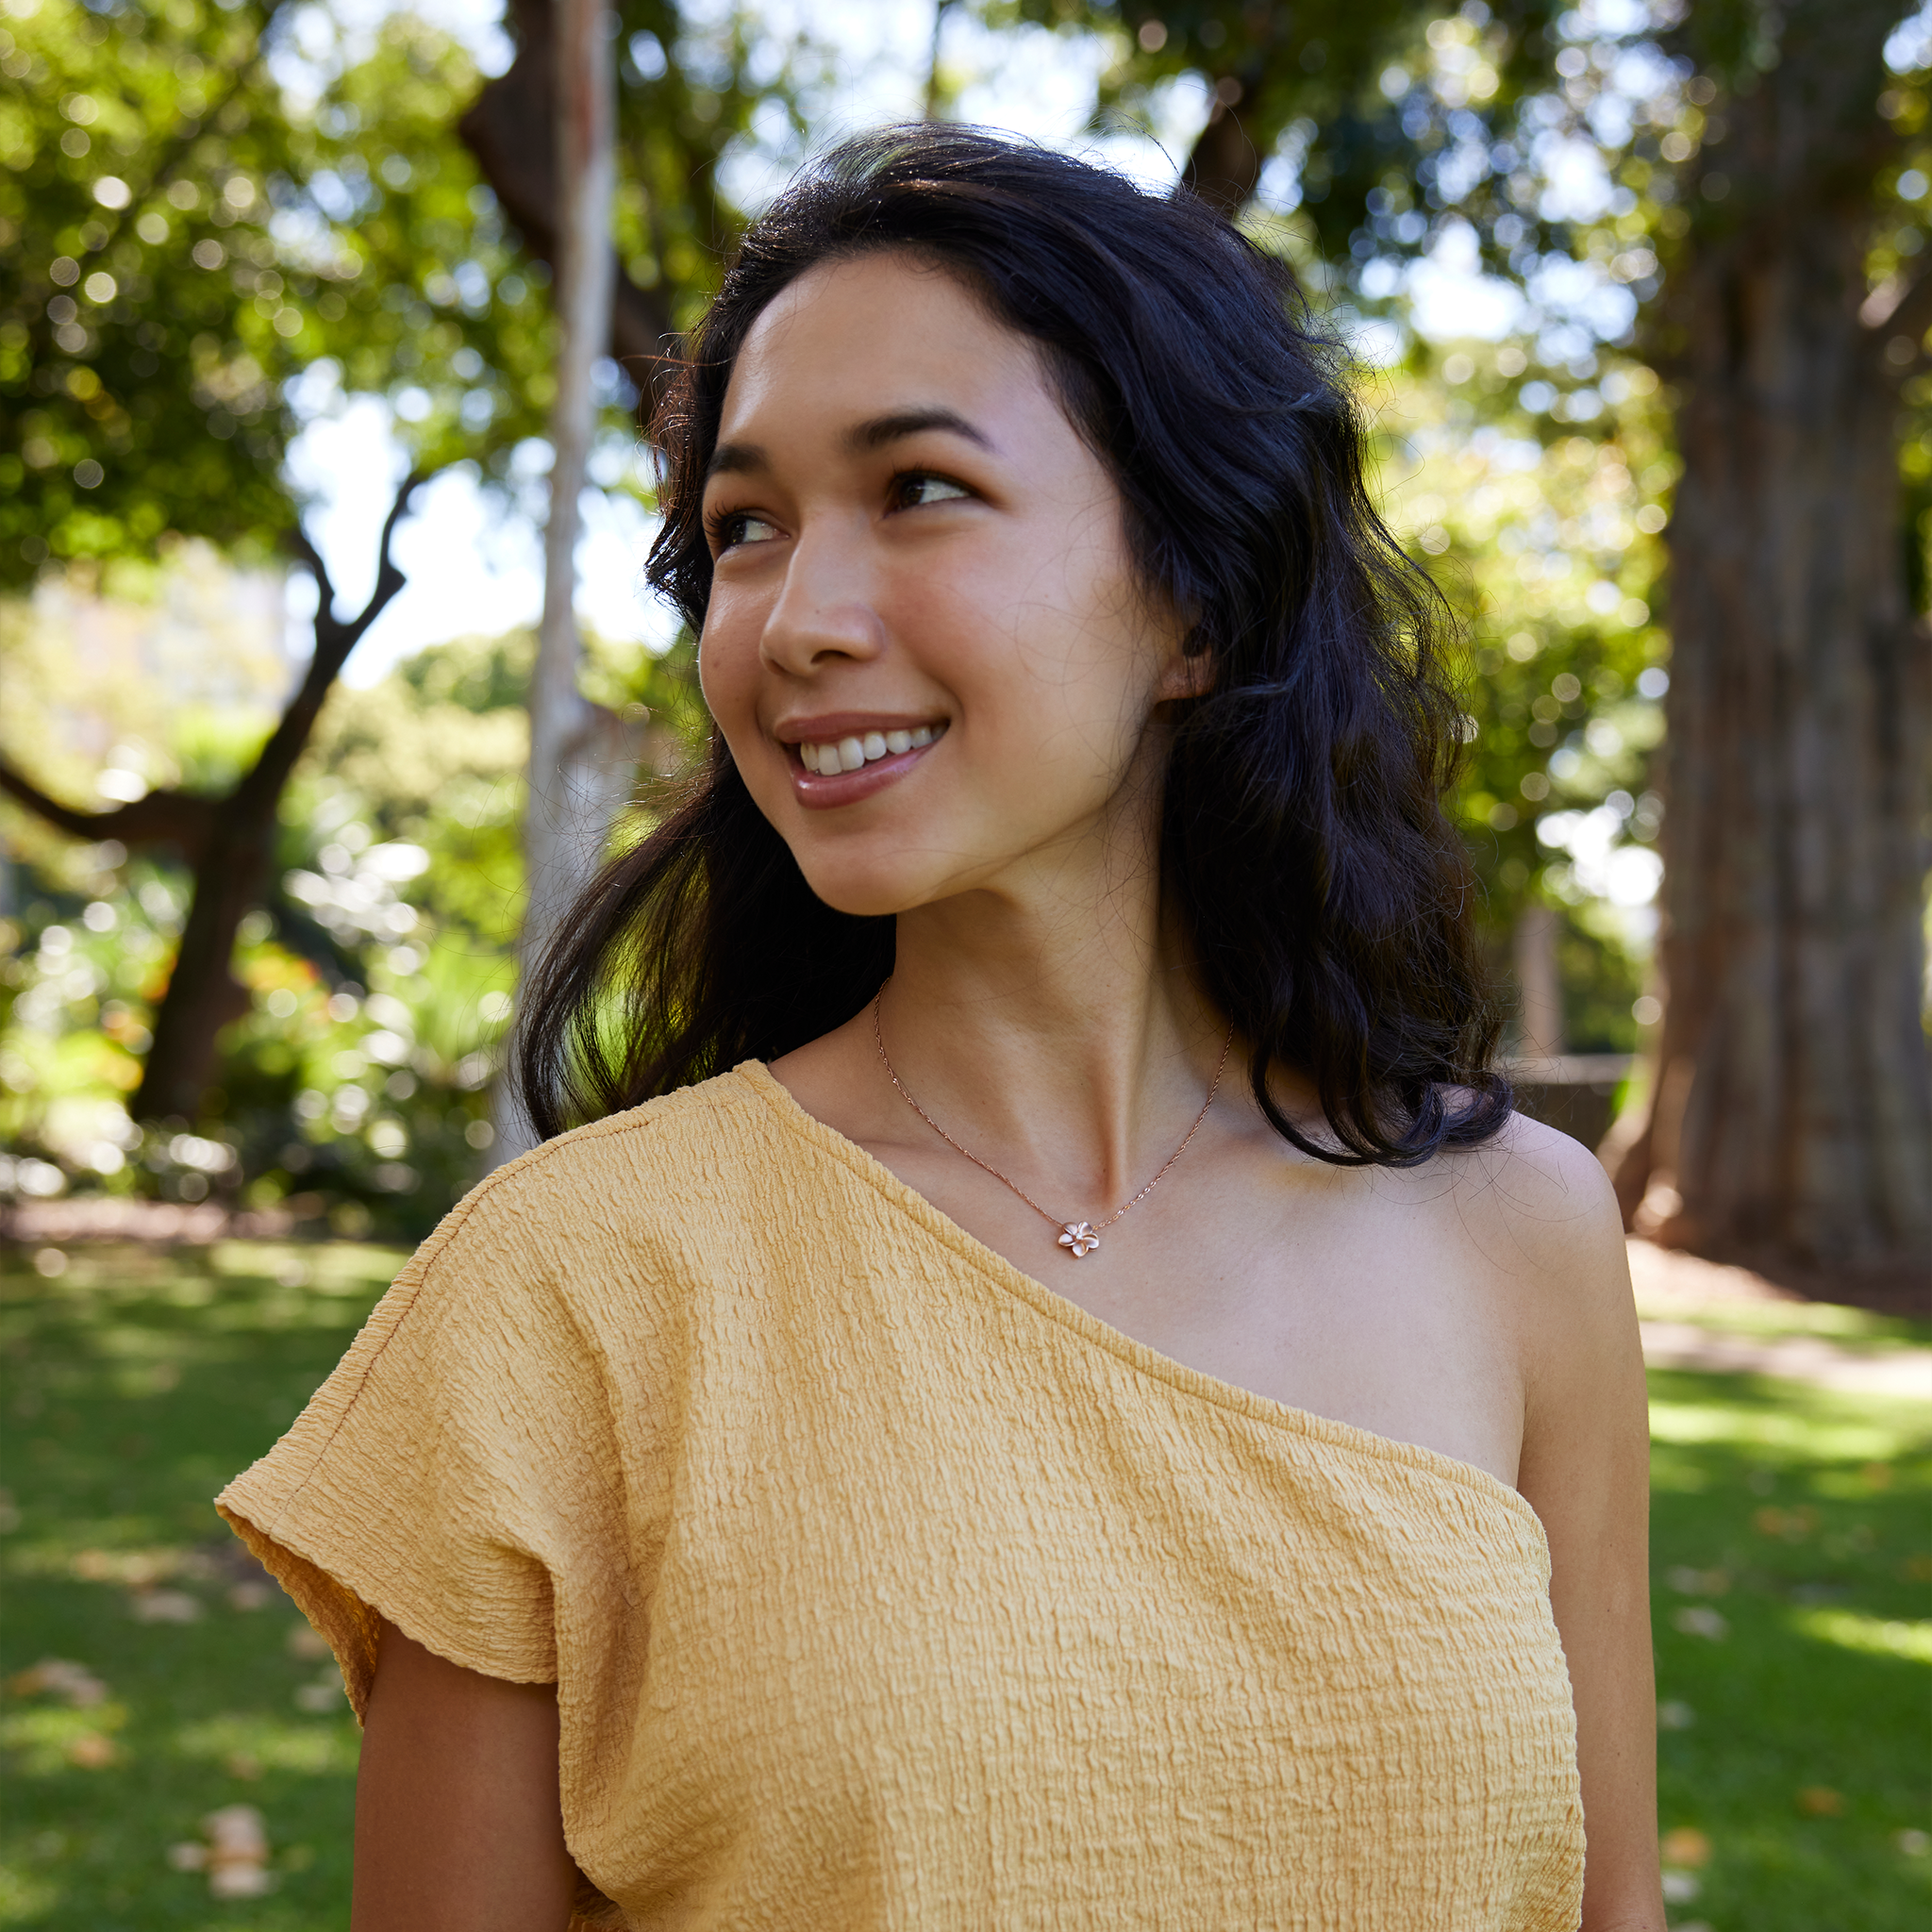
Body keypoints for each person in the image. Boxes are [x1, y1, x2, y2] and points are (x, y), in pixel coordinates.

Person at [219, 126, 1661, 1932]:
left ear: (1197, 602)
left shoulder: (1518, 1234)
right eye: (745, 529)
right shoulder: (571, 1290)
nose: (794, 622)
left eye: (917, 489)